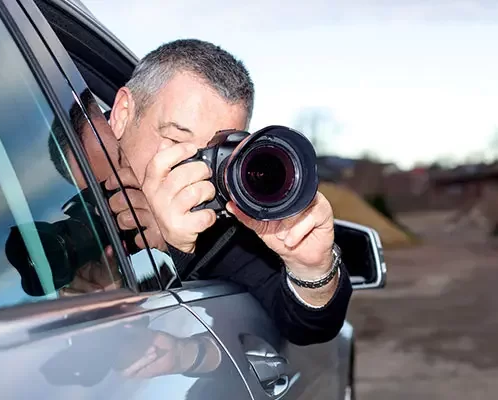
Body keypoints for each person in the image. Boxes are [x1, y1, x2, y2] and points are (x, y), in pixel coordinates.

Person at [106, 39, 352, 345]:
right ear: (122, 113)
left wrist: (312, 270)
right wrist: (159, 249)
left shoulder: (221, 229)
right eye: (176, 140)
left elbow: (309, 328)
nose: (196, 170)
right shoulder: (58, 188)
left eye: (217, 154)